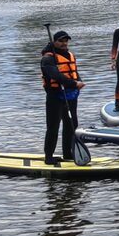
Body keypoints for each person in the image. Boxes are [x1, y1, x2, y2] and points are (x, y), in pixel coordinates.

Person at [40, 30, 82, 167]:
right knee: (53, 126)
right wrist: (74, 84)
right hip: (55, 95)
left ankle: (68, 153)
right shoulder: (48, 58)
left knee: (71, 124)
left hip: (70, 95)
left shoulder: (70, 55)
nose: (64, 43)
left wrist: (78, 83)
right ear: (54, 42)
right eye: (61, 41)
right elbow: (56, 76)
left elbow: (74, 72)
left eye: (66, 41)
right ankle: (48, 156)